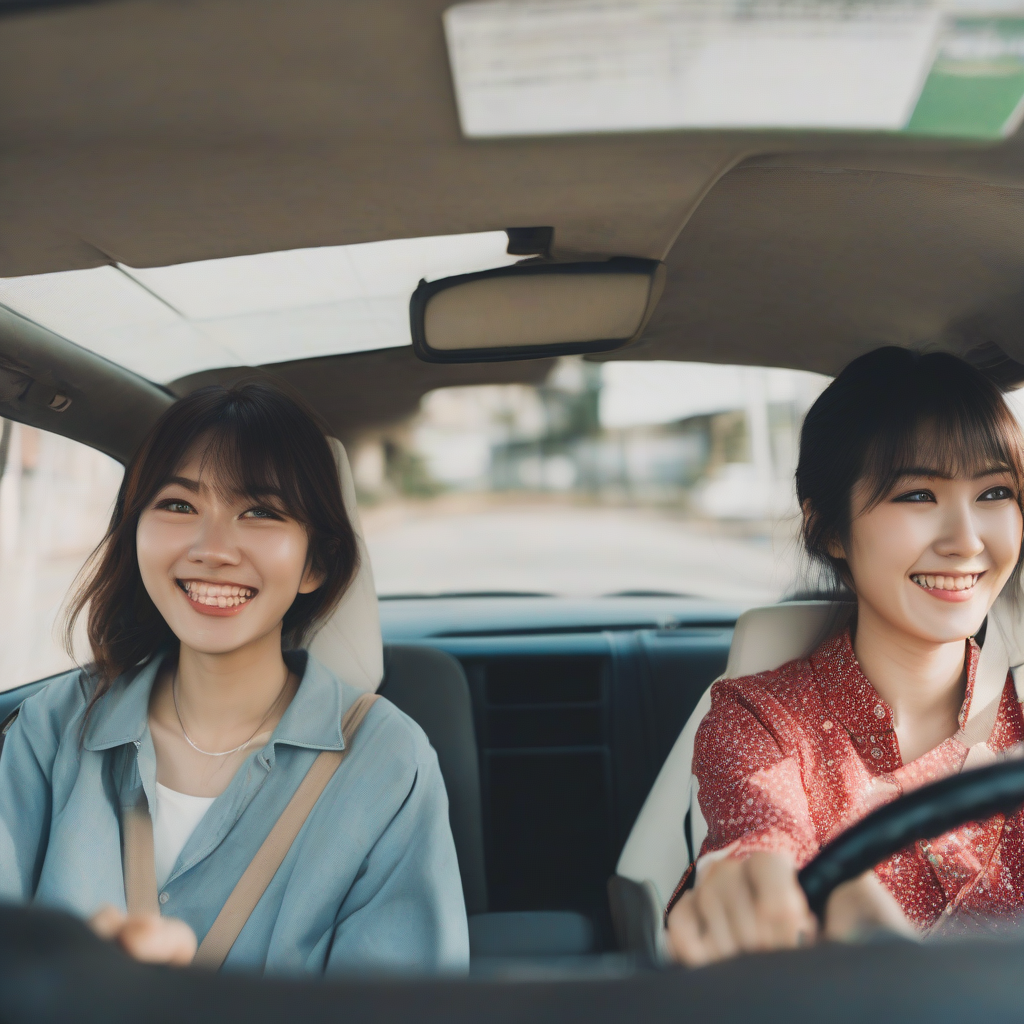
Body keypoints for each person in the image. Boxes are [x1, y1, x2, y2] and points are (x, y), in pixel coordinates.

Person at [0, 382, 469, 975]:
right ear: (134, 528)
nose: (212, 548)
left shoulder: (388, 764)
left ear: (315, 562)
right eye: (178, 505)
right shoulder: (52, 726)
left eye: (260, 512)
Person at [667, 347, 1024, 965]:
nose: (967, 541)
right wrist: (756, 890)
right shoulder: (762, 722)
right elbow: (763, 840)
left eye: (995, 491)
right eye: (918, 495)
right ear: (831, 528)